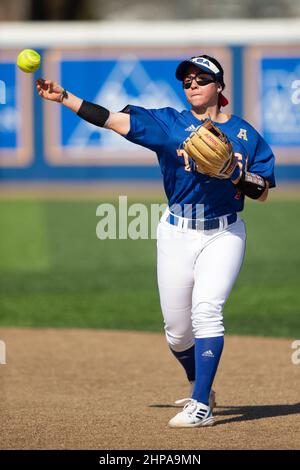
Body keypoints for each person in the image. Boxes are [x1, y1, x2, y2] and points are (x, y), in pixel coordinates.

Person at [36, 54, 275, 428]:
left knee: (207, 311)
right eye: (187, 80)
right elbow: (111, 119)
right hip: (176, 230)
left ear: (220, 86)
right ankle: (200, 386)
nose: (192, 84)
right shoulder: (169, 123)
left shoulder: (246, 135)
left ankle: (200, 407)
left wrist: (234, 173)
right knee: (178, 333)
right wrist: (64, 96)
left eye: (201, 78)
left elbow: (261, 193)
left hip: (224, 233)